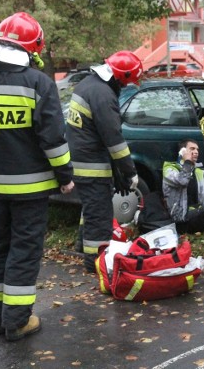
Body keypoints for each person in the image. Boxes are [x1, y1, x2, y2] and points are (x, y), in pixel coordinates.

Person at [0, 12, 74, 341]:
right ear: (33, 47)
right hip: (32, 189)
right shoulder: (39, 83)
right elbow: (53, 139)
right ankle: (18, 321)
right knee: (24, 251)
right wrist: (65, 175)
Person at [65, 51, 141, 273]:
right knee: (99, 217)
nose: (127, 86)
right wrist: (129, 171)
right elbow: (114, 139)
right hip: (92, 167)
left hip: (80, 162)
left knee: (90, 211)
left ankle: (82, 245)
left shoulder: (88, 85)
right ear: (121, 77)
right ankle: (95, 263)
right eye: (127, 82)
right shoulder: (103, 95)